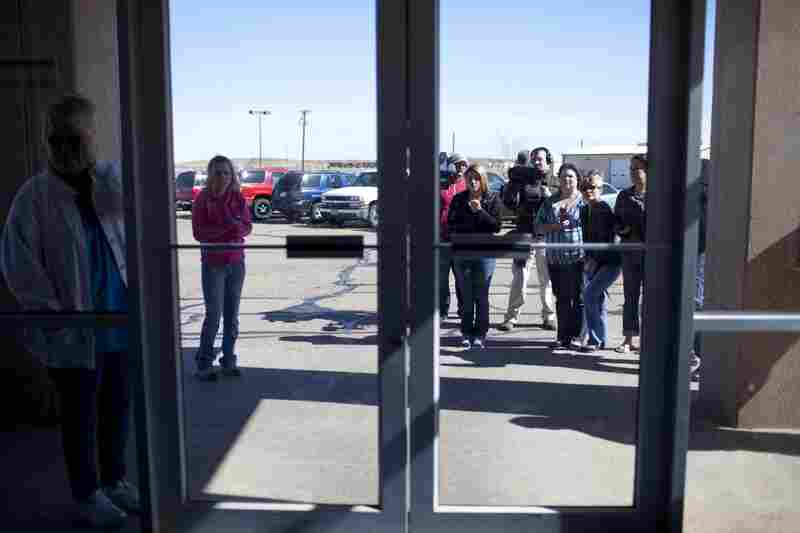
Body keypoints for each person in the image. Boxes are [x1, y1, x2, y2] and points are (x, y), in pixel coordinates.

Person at [0, 93, 138, 528]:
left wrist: (100, 176)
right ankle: (86, 492)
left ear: (93, 138)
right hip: (72, 328)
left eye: (74, 139)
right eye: (55, 140)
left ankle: (114, 479)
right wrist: (54, 314)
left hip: (117, 321)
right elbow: (19, 264)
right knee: (79, 414)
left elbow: (140, 221)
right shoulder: (34, 197)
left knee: (116, 405)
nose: (64, 149)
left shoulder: (112, 182)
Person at [192, 155, 253, 380]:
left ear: (232, 175)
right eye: (217, 172)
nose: (222, 177)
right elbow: (199, 233)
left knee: (232, 316)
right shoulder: (202, 199)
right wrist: (228, 229)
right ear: (210, 174)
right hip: (213, 265)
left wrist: (230, 229)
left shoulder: (237, 198)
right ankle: (204, 364)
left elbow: (246, 227)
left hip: (236, 263)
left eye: (226, 172)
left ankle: (228, 360)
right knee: (214, 315)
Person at [497, 147, 556, 331]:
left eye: (540, 159)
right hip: (524, 234)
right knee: (519, 277)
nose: (537, 162)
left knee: (546, 278)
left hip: (544, 236)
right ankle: (511, 317)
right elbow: (510, 202)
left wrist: (550, 196)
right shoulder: (524, 178)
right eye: (534, 159)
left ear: (548, 160)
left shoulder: (554, 180)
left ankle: (549, 316)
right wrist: (512, 186)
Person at [448, 163, 503, 349]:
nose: (472, 182)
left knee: (481, 295)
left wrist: (479, 211)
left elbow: (496, 226)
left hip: (485, 254)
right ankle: (466, 332)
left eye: (476, 178)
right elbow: (451, 225)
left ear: (483, 180)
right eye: (469, 178)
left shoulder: (492, 198)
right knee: (466, 295)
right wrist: (469, 215)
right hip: (463, 252)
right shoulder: (458, 199)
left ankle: (480, 333)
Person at [534, 163, 585, 349]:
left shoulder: (583, 201)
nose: (567, 180)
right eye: (563, 176)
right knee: (562, 298)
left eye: (571, 176)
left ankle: (577, 336)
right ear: (558, 180)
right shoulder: (550, 202)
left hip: (579, 258)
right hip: (555, 259)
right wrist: (553, 227)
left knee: (578, 298)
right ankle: (563, 336)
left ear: (577, 179)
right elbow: (537, 227)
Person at [579, 170, 622, 352]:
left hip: (610, 262)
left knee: (589, 295)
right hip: (593, 260)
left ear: (601, 189)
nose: (589, 191)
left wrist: (594, 260)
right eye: (585, 187)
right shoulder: (584, 209)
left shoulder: (602, 209)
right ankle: (600, 339)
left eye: (593, 187)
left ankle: (595, 340)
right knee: (598, 298)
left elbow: (607, 240)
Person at [614, 154, 647, 353]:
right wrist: (622, 230)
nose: (633, 173)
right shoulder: (624, 196)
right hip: (630, 254)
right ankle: (628, 339)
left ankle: (648, 339)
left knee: (651, 299)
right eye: (631, 169)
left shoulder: (659, 195)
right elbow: (616, 220)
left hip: (653, 255)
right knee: (630, 297)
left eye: (637, 169)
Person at [439, 153, 468, 321]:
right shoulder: (441, 184)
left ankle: (463, 309)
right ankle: (442, 310)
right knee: (442, 279)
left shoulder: (467, 185)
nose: (460, 168)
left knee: (462, 278)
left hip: (460, 239)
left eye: (463, 165)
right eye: (457, 164)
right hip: (442, 238)